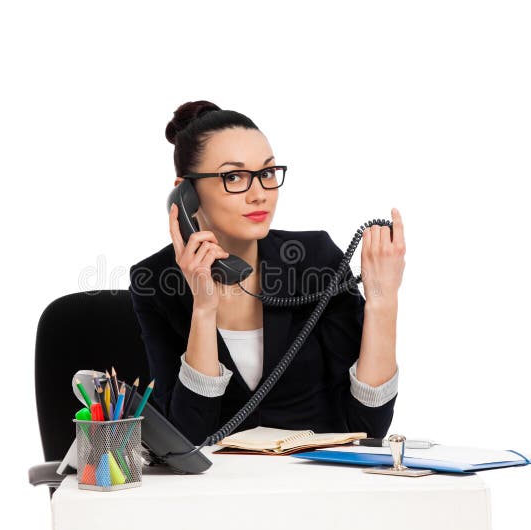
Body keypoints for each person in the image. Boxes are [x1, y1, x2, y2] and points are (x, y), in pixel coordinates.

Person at [128, 100, 406, 446]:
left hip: (317, 486)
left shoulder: (315, 260)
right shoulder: (154, 281)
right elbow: (187, 439)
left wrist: (383, 301)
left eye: (268, 173)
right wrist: (203, 308)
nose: (260, 194)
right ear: (186, 193)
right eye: (234, 177)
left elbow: (368, 426)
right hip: (216, 495)